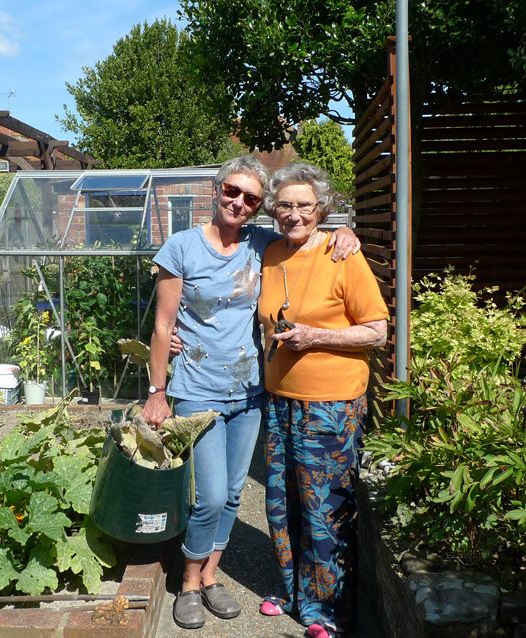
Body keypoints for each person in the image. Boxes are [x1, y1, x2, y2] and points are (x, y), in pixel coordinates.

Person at [141, 156, 361, 630]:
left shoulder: (263, 242)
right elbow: (162, 325)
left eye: (251, 198)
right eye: (232, 192)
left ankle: (213, 576)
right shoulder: (181, 247)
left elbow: (308, 229)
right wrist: (157, 390)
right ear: (216, 190)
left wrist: (347, 233)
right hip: (197, 389)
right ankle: (189, 583)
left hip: (249, 391)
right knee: (210, 495)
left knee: (235, 493)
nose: (239, 203)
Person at [257, 162, 388, 638]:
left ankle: (327, 612)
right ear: (274, 210)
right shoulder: (270, 253)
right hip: (279, 400)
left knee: (325, 510)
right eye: (285, 205)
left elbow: (377, 330)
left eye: (304, 206)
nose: (294, 214)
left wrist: (314, 336)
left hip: (329, 404)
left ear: (322, 210)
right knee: (282, 503)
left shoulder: (342, 254)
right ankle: (293, 592)